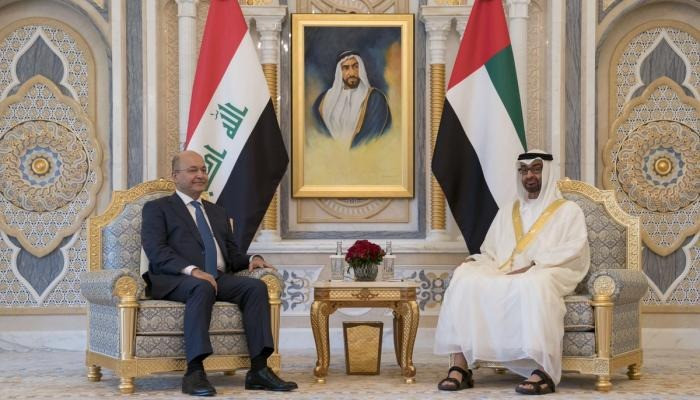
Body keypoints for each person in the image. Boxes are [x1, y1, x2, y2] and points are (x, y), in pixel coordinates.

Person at [141, 150, 297, 396]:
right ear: (175, 176)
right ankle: (194, 372)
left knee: (256, 287)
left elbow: (232, 255)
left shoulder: (217, 212)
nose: (200, 175)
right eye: (193, 170)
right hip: (175, 279)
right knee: (201, 286)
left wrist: (252, 259)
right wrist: (194, 271)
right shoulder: (158, 208)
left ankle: (259, 369)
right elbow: (156, 251)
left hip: (216, 277)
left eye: (203, 170)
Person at [434, 150, 590, 395]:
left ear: (548, 172)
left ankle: (543, 370)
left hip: (552, 269)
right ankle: (460, 367)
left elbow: (575, 248)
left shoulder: (568, 210)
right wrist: (477, 261)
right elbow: (491, 249)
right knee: (464, 276)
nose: (529, 176)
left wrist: (536, 263)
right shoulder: (509, 209)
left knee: (534, 283)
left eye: (536, 169)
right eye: (524, 170)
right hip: (506, 269)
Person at [311, 50, 391, 148]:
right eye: (346, 68)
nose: (352, 73)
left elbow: (372, 136)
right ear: (339, 72)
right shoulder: (323, 101)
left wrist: (350, 155)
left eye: (355, 67)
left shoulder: (375, 98)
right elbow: (318, 132)